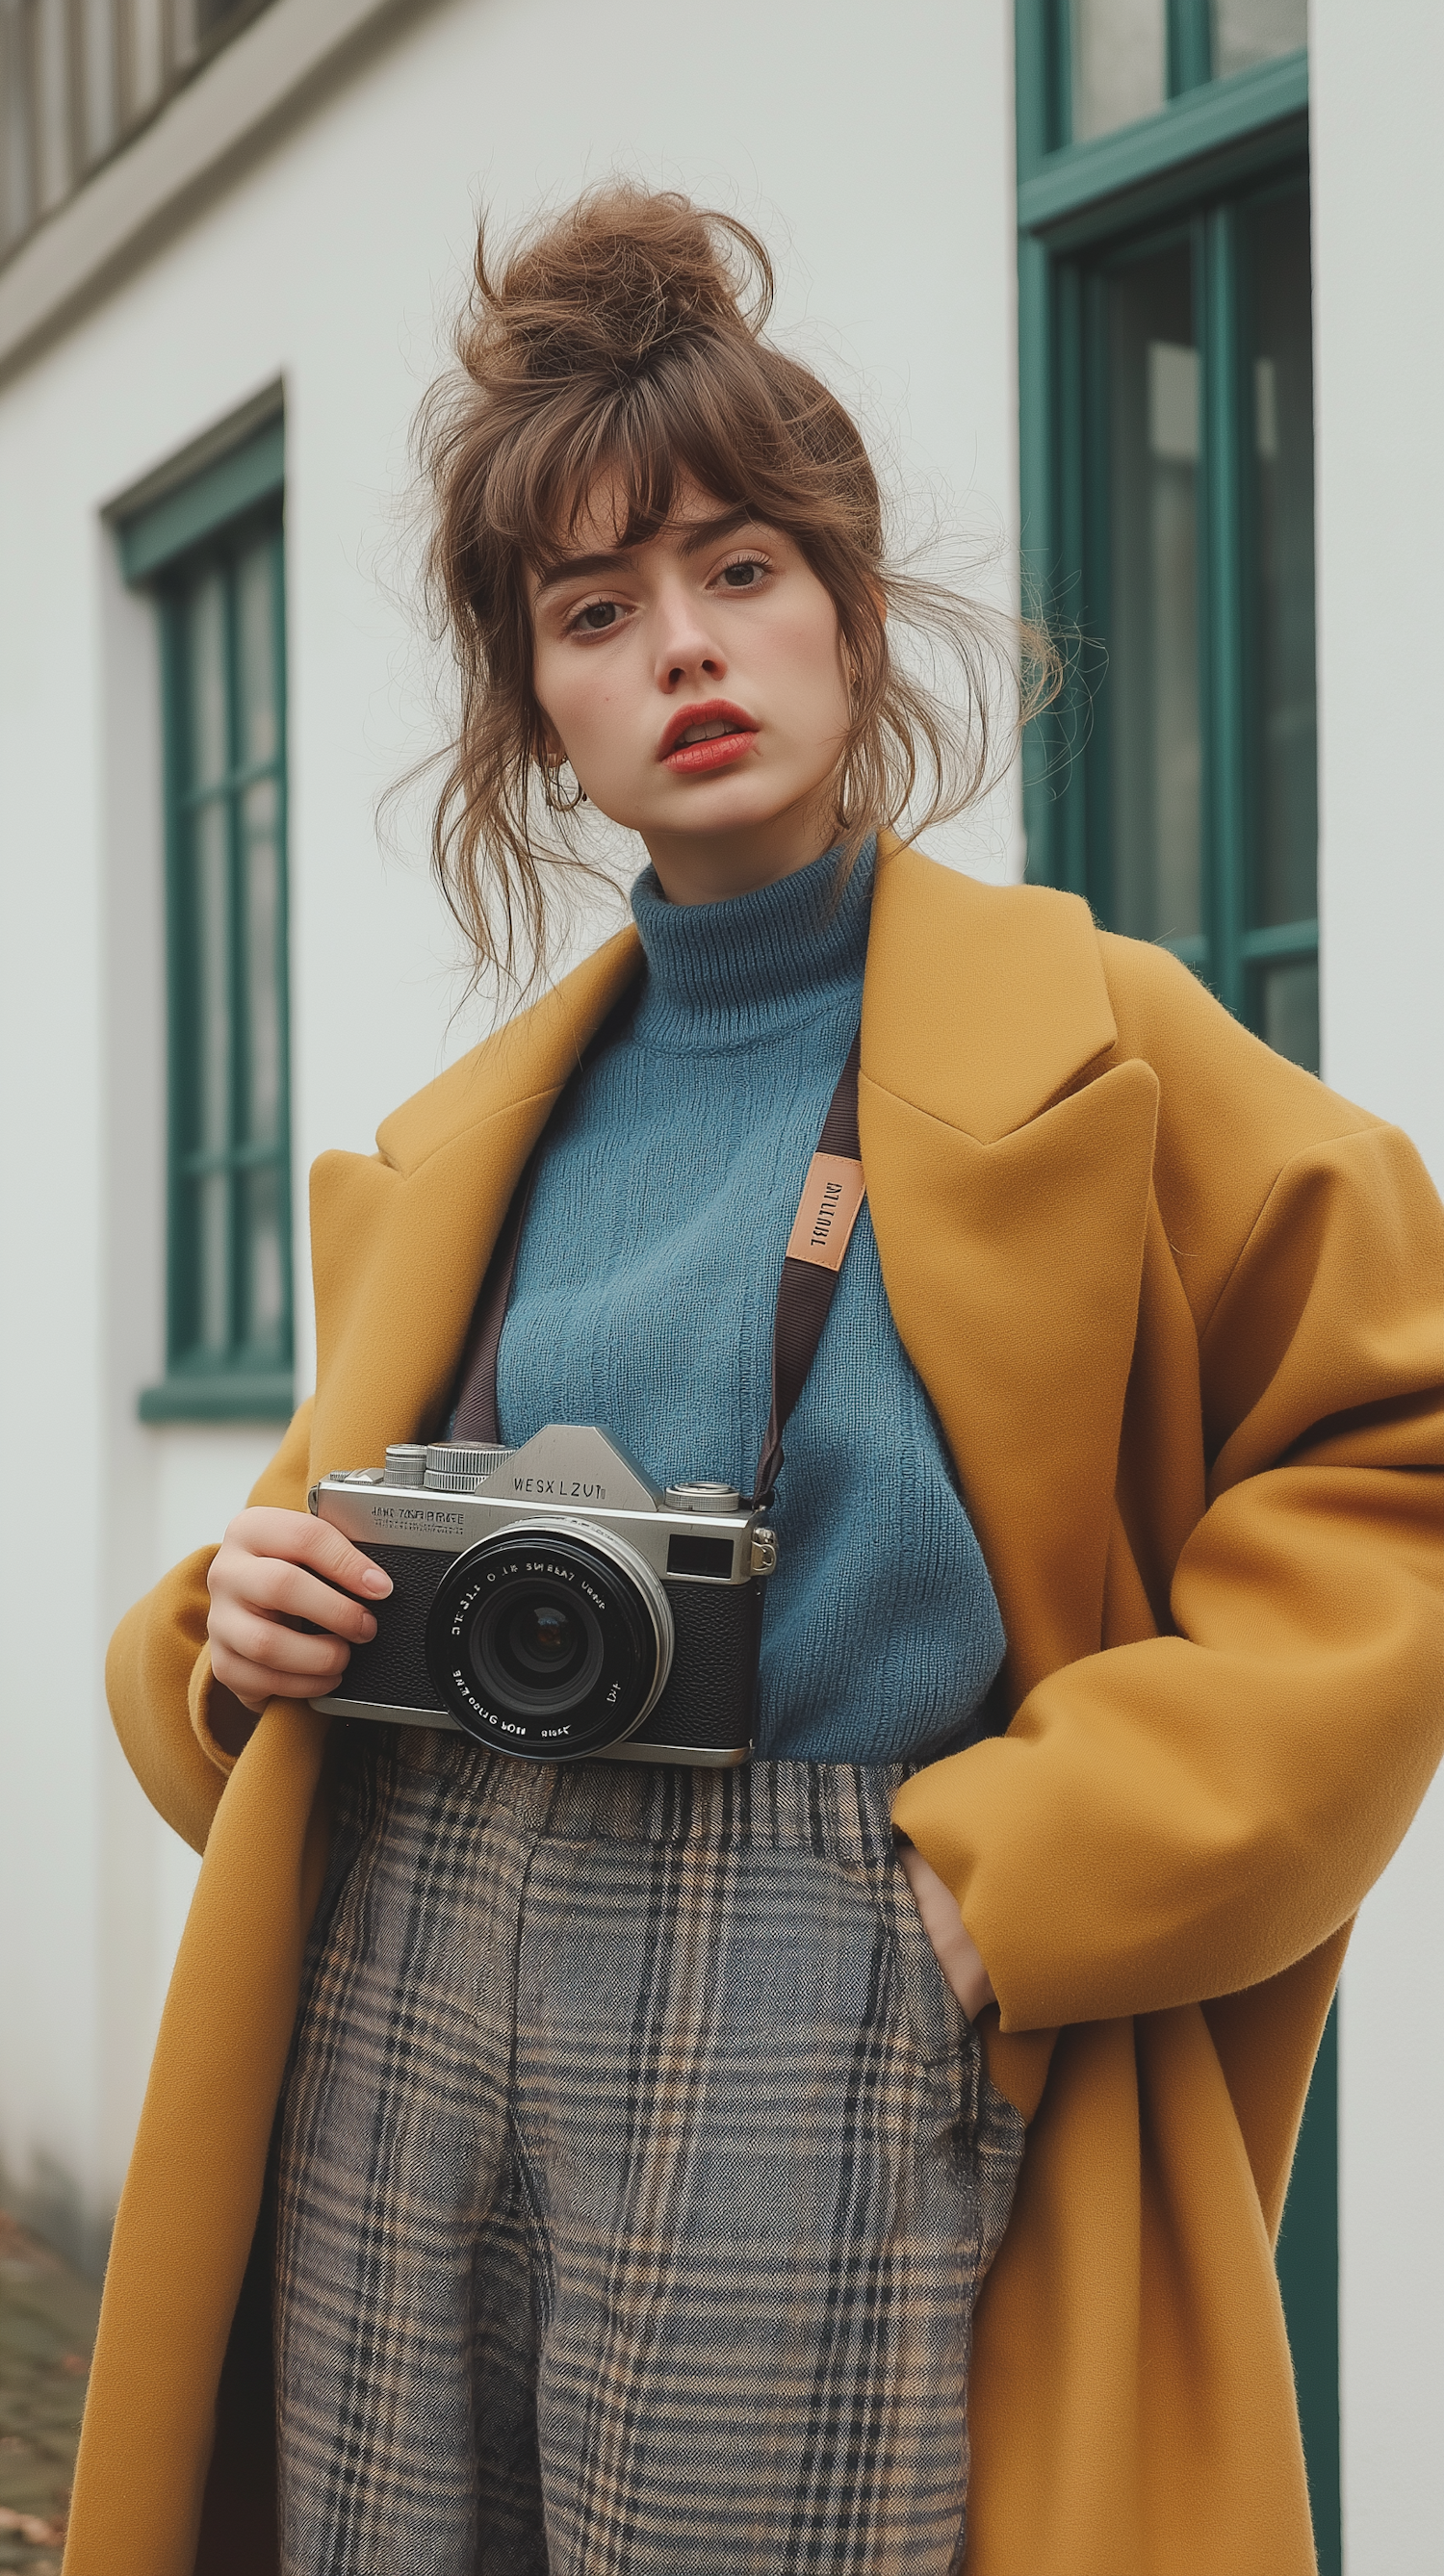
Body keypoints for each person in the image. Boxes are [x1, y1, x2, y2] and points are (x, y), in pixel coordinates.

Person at [68, 190, 1442, 2576]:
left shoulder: (1096, 1045)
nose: (683, 650)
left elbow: (1399, 1453)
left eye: (736, 571)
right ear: (542, 708)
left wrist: (1008, 1888)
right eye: (596, 615)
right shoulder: (468, 1138)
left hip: (837, 1968)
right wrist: (228, 1645)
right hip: (408, 1955)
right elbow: (283, 1573)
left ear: (844, 603)